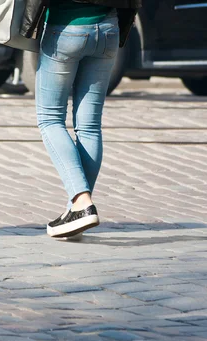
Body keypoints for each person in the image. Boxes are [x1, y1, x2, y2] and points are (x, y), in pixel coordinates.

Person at [22, 0, 140, 239]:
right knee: (89, 126)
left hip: (66, 27)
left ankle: (81, 202)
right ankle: (76, 211)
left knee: (50, 119)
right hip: (108, 28)